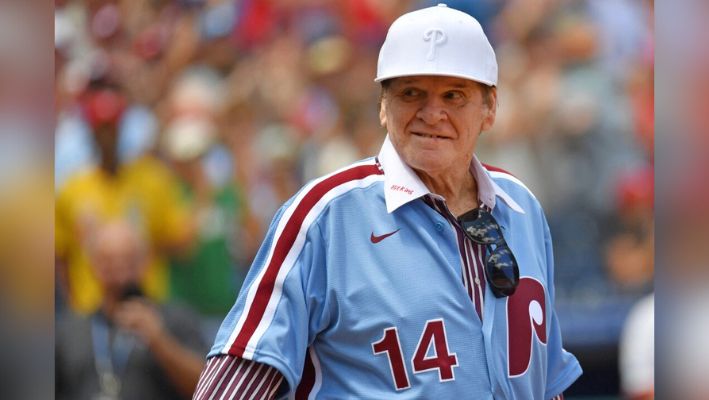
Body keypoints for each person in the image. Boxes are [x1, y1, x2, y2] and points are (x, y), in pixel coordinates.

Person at [194, 4, 581, 399]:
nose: (433, 114)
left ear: (490, 108)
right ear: (383, 105)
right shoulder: (324, 217)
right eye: (411, 93)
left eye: (454, 95)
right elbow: (229, 388)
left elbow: (546, 380)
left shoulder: (521, 206)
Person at [56, 219, 207, 400]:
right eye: (109, 263)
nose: (120, 273)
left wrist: (160, 341)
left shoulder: (175, 321)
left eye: (128, 261)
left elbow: (207, 386)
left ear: (145, 262)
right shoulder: (70, 330)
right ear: (92, 265)